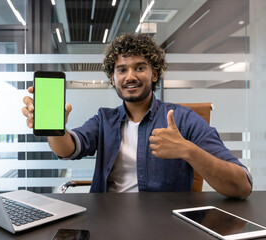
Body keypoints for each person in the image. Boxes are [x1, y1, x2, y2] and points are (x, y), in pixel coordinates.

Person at [22, 33, 252, 199]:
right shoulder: (105, 119)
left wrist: (188, 150)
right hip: (108, 221)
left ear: (155, 74)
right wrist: (56, 127)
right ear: (113, 78)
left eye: (140, 67)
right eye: (121, 70)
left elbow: (242, 186)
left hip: (165, 226)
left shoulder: (182, 118)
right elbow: (68, 149)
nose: (130, 76)